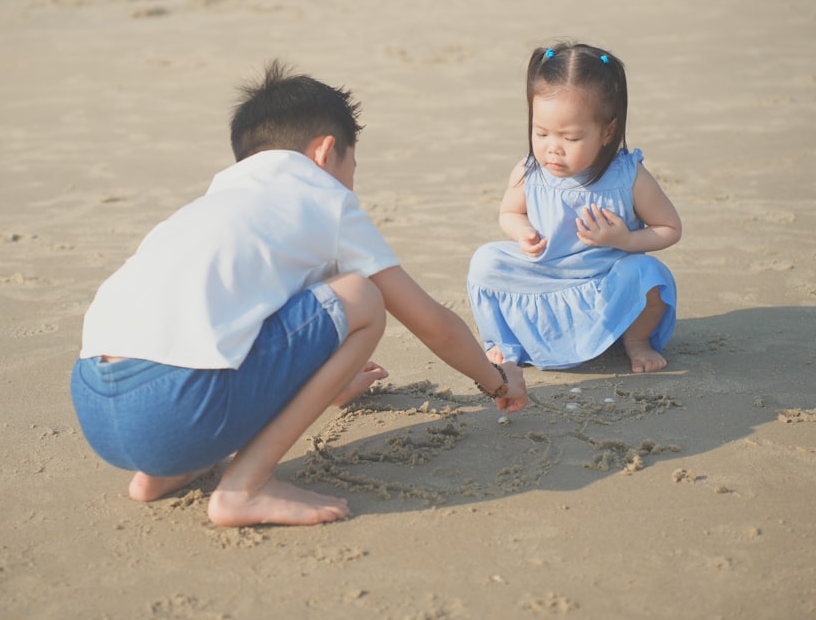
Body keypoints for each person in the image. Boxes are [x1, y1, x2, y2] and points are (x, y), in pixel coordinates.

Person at [71, 60, 529, 528]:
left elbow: (262, 324)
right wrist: (495, 380)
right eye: (353, 165)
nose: (352, 182)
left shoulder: (217, 203)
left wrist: (326, 380)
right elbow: (434, 325)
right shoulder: (324, 199)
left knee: (227, 328)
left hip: (95, 404)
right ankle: (244, 487)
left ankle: (160, 474)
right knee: (363, 298)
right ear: (326, 152)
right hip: (177, 406)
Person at [467, 42, 682, 374]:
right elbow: (509, 213)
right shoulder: (530, 173)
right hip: (545, 274)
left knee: (648, 275)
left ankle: (636, 340)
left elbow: (669, 228)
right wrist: (523, 232)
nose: (553, 148)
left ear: (607, 131)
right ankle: (506, 343)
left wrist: (625, 240)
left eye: (570, 139)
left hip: (604, 283)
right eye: (541, 133)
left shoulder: (628, 177)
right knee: (486, 262)